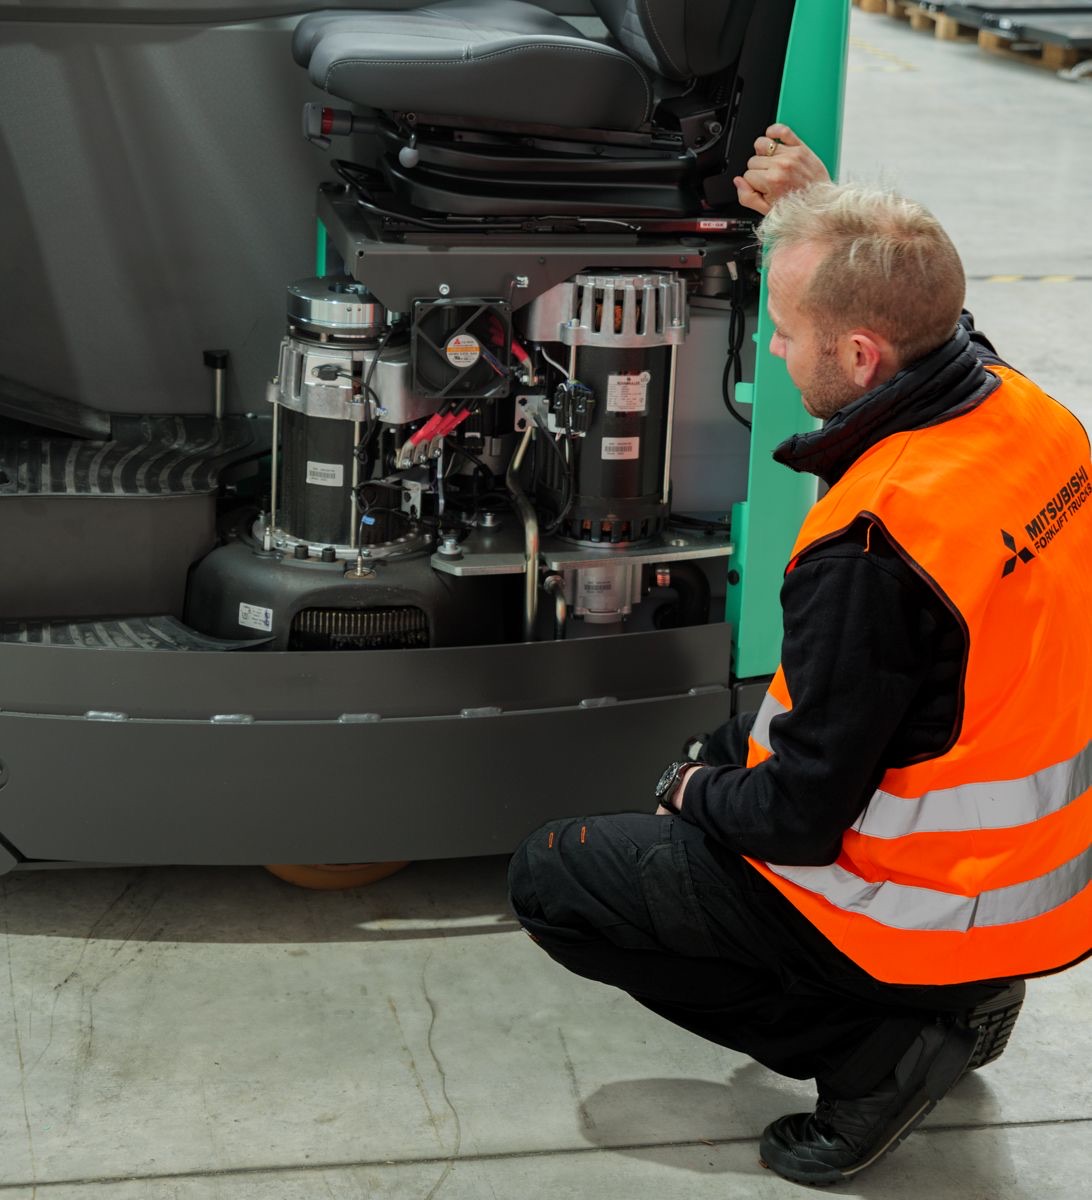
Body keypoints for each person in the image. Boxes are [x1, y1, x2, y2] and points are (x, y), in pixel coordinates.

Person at [508, 136, 1092, 1186]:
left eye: (784, 331)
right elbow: (935, 319)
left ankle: (874, 1053)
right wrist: (824, 212)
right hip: (1033, 884)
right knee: (735, 746)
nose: (774, 350)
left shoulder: (873, 547)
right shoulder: (1033, 420)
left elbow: (802, 817)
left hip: (924, 894)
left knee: (560, 874)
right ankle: (968, 998)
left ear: (863, 356)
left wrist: (691, 787)